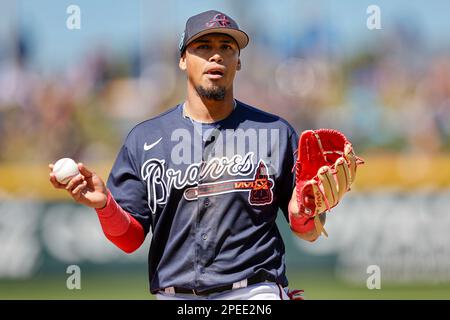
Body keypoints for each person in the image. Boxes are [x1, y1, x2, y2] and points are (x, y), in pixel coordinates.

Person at [49, 10, 333, 300]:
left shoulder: (275, 133)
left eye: (227, 48)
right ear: (183, 59)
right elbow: (129, 239)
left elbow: (309, 231)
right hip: (175, 296)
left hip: (252, 294)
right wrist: (105, 205)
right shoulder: (145, 139)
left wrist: (304, 217)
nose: (216, 56)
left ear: (239, 61)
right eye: (204, 47)